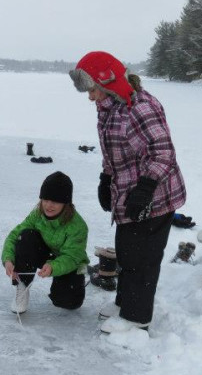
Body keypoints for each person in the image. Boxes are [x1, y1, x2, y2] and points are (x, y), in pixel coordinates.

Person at [69, 51, 186, 333]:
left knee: (142, 259)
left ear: (107, 82)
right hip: (129, 194)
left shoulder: (140, 108)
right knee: (127, 251)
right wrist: (105, 178)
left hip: (155, 196)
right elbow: (112, 151)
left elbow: (163, 153)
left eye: (92, 89)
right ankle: (125, 304)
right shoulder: (109, 108)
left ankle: (137, 317)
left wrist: (145, 190)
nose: (90, 97)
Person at [1, 171, 89, 313]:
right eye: (45, 200)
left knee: (68, 302)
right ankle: (22, 286)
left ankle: (74, 284)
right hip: (45, 254)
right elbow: (14, 235)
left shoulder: (78, 226)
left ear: (65, 203)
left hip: (68, 262)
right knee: (25, 236)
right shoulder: (37, 214)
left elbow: (72, 256)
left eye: (55, 201)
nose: (48, 205)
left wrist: (53, 267)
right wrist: (8, 259)